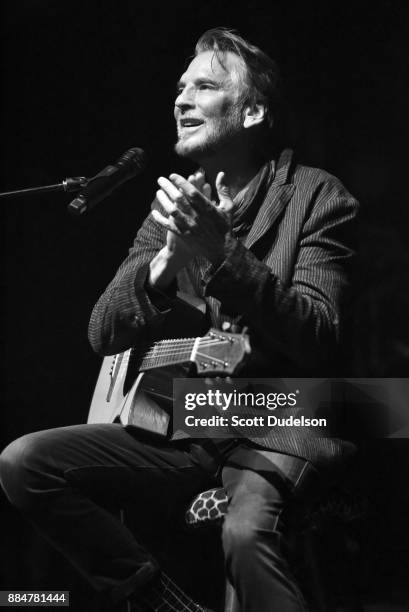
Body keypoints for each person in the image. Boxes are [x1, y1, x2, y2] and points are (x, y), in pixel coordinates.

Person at [0, 28, 359, 612]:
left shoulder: (316, 196)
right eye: (180, 87)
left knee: (246, 535)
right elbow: (101, 332)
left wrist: (223, 254)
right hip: (190, 428)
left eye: (206, 86)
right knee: (26, 464)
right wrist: (162, 266)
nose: (181, 99)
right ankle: (163, 605)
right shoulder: (174, 205)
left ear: (253, 112)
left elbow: (321, 337)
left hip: (278, 422)